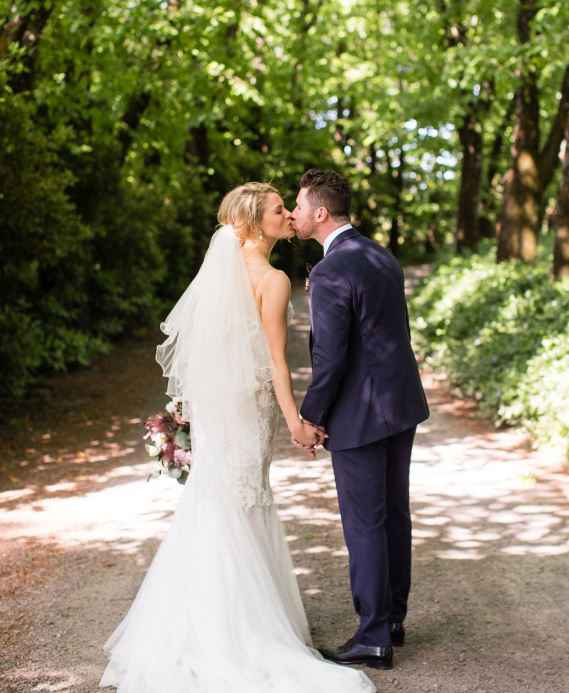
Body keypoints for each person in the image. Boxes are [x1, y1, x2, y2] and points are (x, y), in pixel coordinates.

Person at [99, 182, 375, 693]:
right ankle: (241, 632)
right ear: (253, 223)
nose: (289, 216)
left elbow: (206, 352)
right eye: (279, 210)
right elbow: (275, 361)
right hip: (245, 409)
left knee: (217, 499)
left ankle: (195, 623)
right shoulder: (271, 280)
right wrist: (295, 418)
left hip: (218, 410)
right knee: (245, 501)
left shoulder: (221, 276)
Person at [291, 169, 429, 671]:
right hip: (400, 405)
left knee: (365, 522)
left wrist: (310, 415)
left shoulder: (330, 271)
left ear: (320, 212)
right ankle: (392, 618)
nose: (295, 213)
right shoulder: (379, 255)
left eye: (300, 205)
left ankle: (372, 637)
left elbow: (331, 357)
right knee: (394, 513)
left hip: (360, 414)